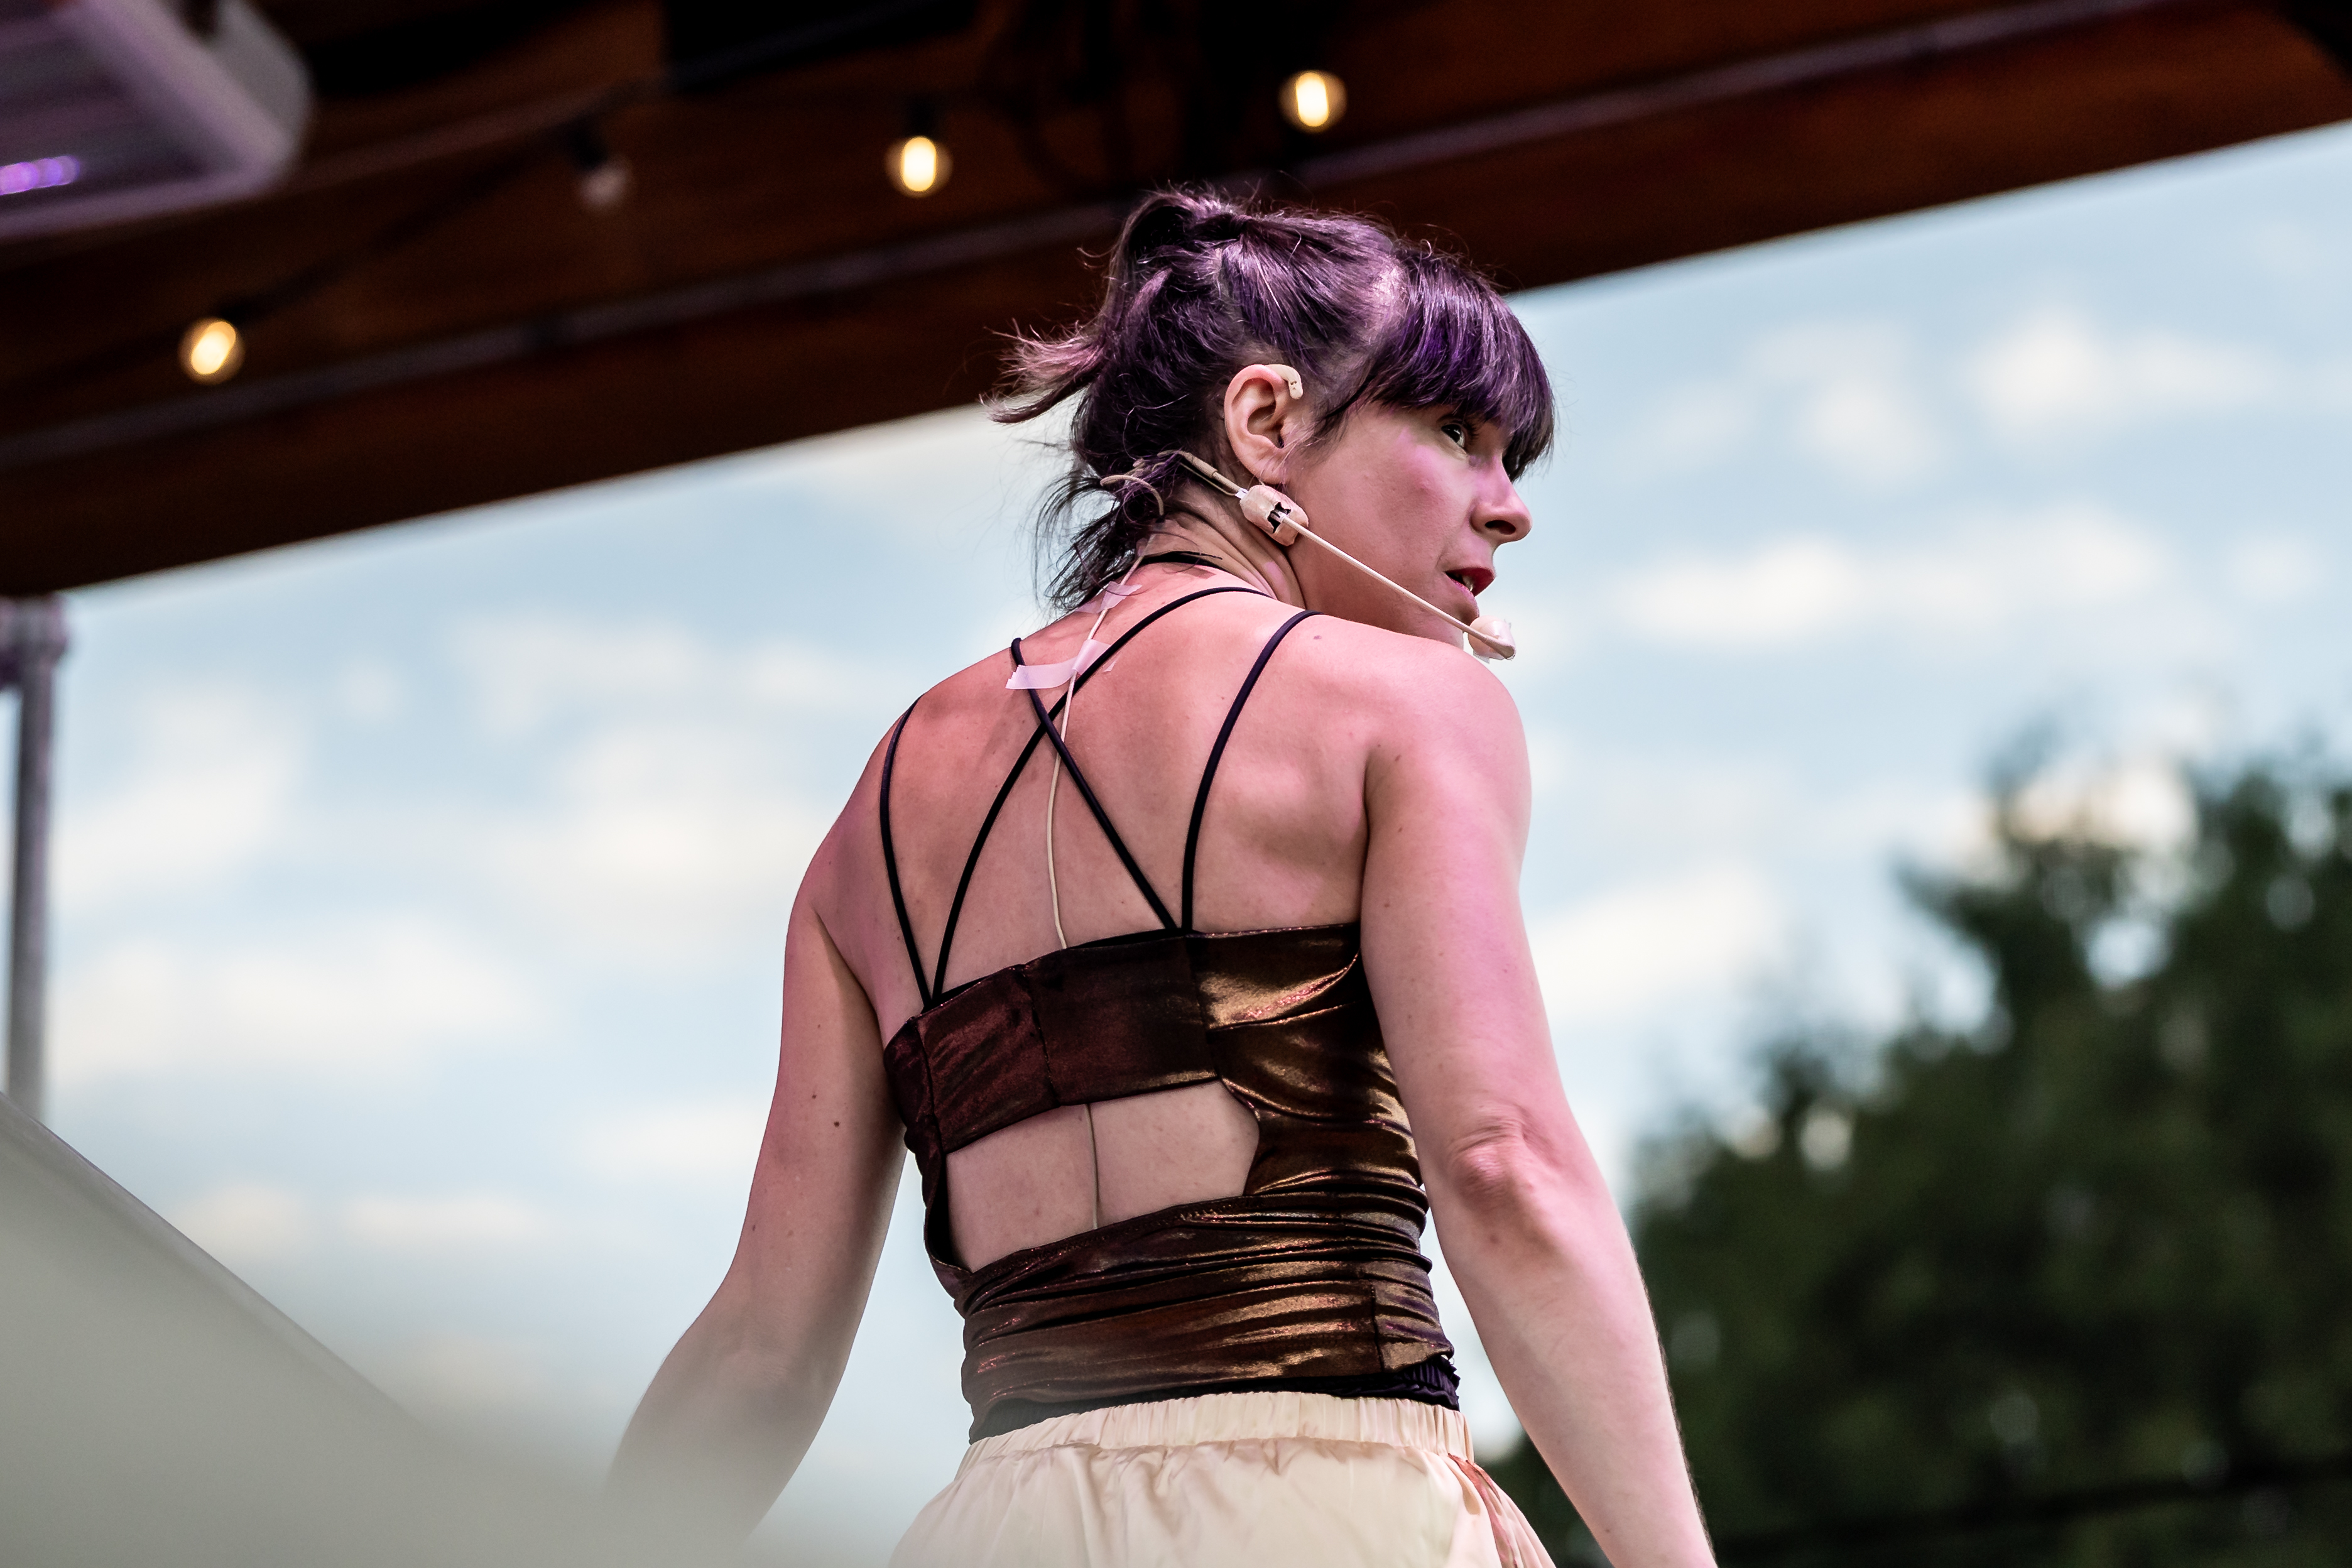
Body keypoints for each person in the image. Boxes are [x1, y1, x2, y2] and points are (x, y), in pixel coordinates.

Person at [609, 190, 1717, 1568]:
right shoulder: (1408, 705)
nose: (1510, 505)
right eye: (1454, 432)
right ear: (1264, 423)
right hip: (1326, 1515)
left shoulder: (881, 803)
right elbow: (1502, 1168)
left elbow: (761, 1352)